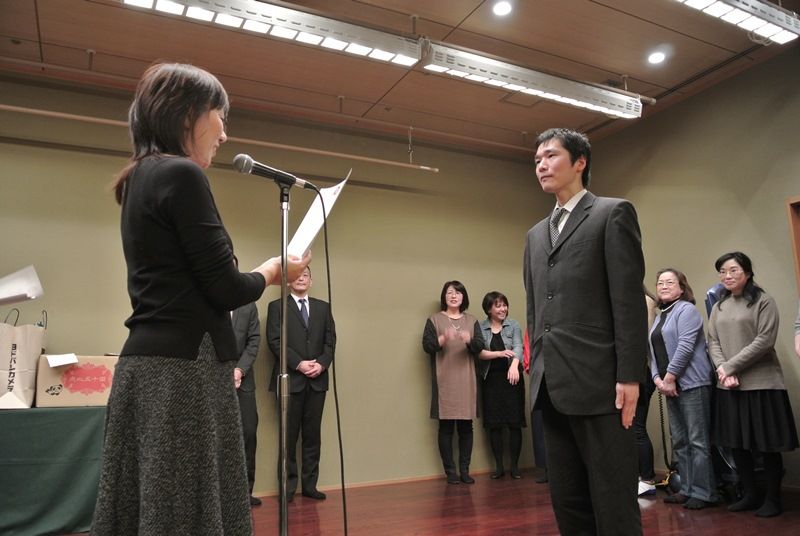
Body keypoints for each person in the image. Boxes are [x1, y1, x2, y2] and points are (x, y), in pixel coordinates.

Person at [92, 62, 309, 535]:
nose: (225, 134)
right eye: (221, 117)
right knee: (185, 512)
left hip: (147, 367)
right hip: (184, 371)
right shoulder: (181, 174)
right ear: (187, 113)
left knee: (155, 509)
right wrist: (273, 271)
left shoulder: (140, 177)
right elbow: (226, 288)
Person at [523, 128, 647, 535]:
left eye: (551, 156)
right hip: (551, 385)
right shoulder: (534, 235)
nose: (541, 165)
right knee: (568, 500)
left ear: (580, 162)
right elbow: (535, 309)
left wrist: (630, 375)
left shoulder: (612, 213)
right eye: (537, 159)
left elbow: (628, 302)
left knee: (613, 501)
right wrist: (536, 371)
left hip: (602, 385)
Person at [708, 251, 799, 517]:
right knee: (738, 444)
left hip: (762, 384)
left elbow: (765, 341)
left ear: (747, 272)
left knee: (766, 445)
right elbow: (712, 341)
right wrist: (723, 369)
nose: (727, 276)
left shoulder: (763, 301)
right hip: (729, 385)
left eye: (733, 270)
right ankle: (749, 495)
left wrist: (730, 367)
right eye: (722, 271)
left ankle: (773, 499)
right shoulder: (719, 306)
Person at [649, 269, 717, 510]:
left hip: (692, 383)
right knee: (680, 441)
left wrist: (669, 377)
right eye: (660, 283)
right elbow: (653, 352)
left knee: (698, 441)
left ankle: (704, 492)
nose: (664, 286)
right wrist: (657, 379)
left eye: (670, 282)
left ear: (681, 288)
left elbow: (685, 347)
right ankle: (687, 489)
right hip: (669, 386)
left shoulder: (687, 310)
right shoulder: (660, 316)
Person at [267, 266, 336, 502]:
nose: (301, 279)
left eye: (305, 275)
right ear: (288, 281)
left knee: (312, 436)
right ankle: (287, 488)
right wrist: (299, 364)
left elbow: (330, 341)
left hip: (317, 381)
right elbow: (275, 341)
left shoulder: (323, 308)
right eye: (297, 276)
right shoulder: (276, 307)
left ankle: (310, 485)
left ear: (311, 281)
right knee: (288, 437)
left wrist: (322, 364)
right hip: (290, 381)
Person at [421, 281, 485, 484]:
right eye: (449, 292)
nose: (454, 296)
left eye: (458, 292)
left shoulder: (472, 320)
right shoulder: (434, 320)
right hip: (445, 380)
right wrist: (443, 339)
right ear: (444, 297)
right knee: (446, 428)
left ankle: (465, 470)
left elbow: (479, 346)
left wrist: (469, 339)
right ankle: (450, 472)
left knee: (466, 427)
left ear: (463, 297)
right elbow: (427, 346)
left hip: (467, 379)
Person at [478, 291, 526, 479]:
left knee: (514, 423)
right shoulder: (481, 327)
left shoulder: (513, 324)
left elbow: (518, 347)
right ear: (489, 309)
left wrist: (514, 366)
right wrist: (499, 353)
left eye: (504, 305)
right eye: (498, 306)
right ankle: (499, 467)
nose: (503, 309)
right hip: (491, 379)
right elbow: (479, 352)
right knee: (495, 424)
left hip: (512, 378)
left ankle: (514, 467)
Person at [232, 297, 261, 507]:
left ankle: (245, 493)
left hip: (244, 379)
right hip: (213, 378)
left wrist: (239, 370)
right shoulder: (209, 301)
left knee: (249, 432)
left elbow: (254, 341)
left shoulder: (248, 305)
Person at [633, 288, 658, 497]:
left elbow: (641, 340)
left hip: (642, 372)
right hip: (633, 373)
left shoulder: (645, 301)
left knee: (637, 427)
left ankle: (648, 479)